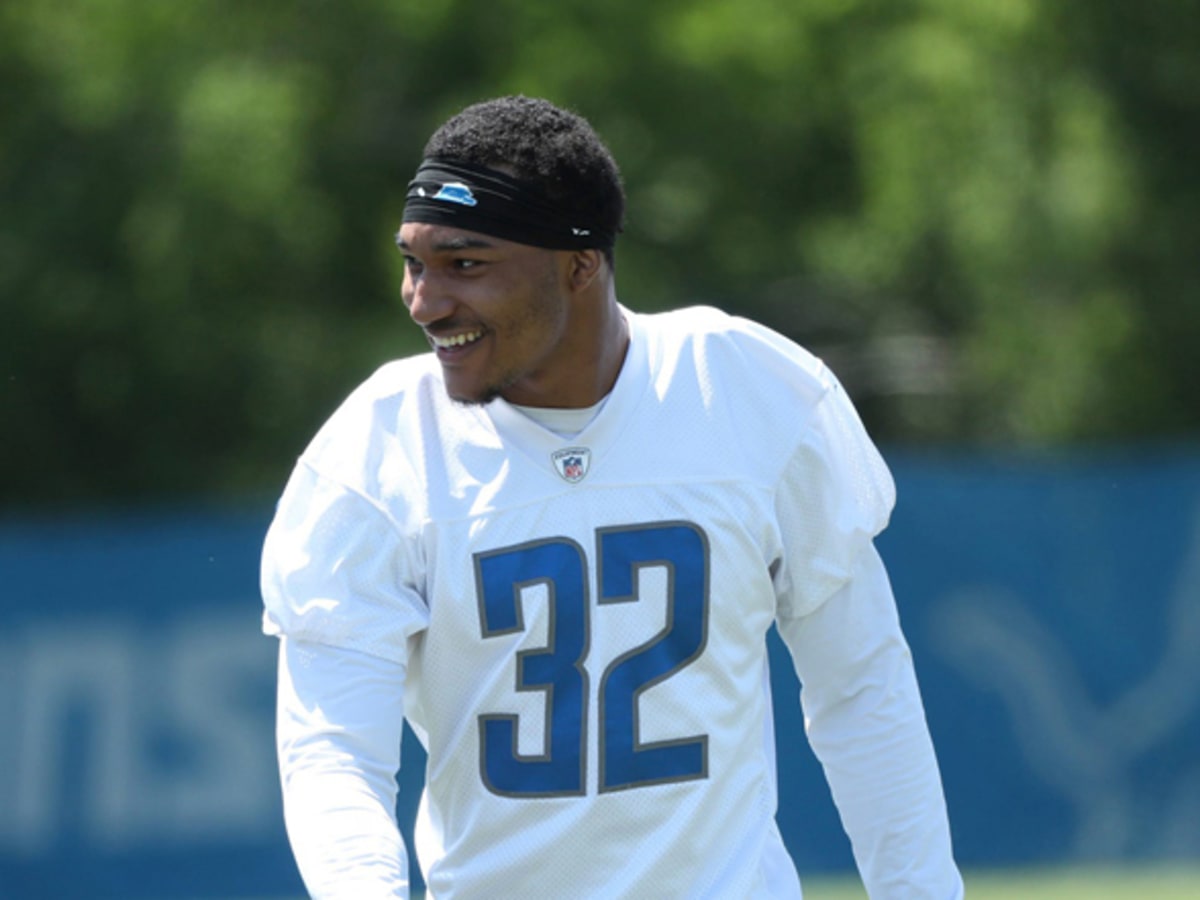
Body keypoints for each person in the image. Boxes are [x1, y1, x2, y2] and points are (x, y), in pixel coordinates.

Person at [261, 94, 963, 899]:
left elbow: (862, 685)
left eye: (465, 264)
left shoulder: (745, 391)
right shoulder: (376, 451)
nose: (424, 301)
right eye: (414, 263)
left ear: (580, 264)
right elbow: (333, 753)